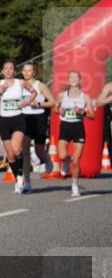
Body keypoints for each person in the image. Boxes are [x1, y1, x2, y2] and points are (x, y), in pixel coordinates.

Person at [0, 60, 37, 194]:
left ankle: (21, 179)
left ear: (14, 71)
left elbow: (34, 93)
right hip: (4, 121)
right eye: (6, 68)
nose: (8, 71)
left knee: (16, 150)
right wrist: (0, 92)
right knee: (10, 156)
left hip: (18, 119)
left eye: (11, 68)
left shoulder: (20, 83)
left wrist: (26, 102)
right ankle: (18, 179)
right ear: (2, 71)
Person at [55, 70, 95, 198]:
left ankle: (75, 185)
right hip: (65, 127)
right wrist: (59, 111)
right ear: (68, 80)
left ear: (80, 80)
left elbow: (92, 115)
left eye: (75, 77)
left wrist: (81, 112)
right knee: (61, 156)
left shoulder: (85, 97)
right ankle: (67, 160)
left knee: (77, 161)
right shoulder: (61, 95)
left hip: (78, 128)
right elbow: (56, 109)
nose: (73, 79)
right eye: (71, 77)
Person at [20, 61, 55, 188]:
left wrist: (38, 104)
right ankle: (27, 181)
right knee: (25, 149)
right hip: (24, 118)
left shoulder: (40, 85)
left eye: (29, 70)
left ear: (34, 72)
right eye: (24, 70)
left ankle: (45, 158)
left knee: (38, 150)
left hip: (39, 118)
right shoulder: (19, 85)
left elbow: (53, 102)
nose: (26, 73)